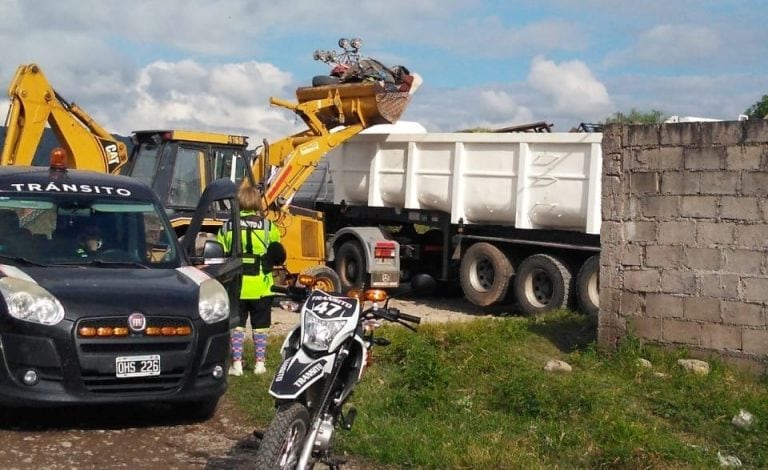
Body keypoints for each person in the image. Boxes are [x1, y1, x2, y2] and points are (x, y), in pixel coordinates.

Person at [217, 184, 281, 376]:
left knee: (237, 326)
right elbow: (277, 251)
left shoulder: (228, 227)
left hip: (236, 286)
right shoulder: (269, 227)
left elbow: (220, 251)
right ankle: (259, 364)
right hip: (262, 287)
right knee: (261, 326)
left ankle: (237, 364)